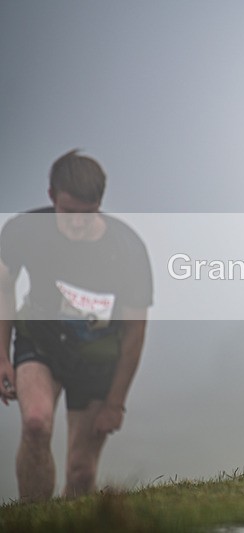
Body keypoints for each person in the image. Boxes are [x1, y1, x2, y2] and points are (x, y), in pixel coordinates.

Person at [0, 150, 153, 502]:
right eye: (68, 213)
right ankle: (32, 521)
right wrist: (1, 355)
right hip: (40, 341)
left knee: (81, 471)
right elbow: (4, 286)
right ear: (52, 196)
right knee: (36, 423)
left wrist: (116, 402)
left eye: (88, 214)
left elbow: (135, 331)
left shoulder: (127, 249)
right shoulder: (23, 231)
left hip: (97, 356)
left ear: (100, 203)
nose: (77, 224)